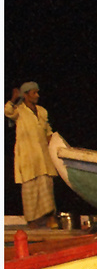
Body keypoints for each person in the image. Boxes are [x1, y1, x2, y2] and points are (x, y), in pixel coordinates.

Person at [5, 82, 56, 226]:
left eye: (37, 92)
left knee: (46, 186)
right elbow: (7, 111)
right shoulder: (19, 110)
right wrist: (13, 99)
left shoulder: (42, 111)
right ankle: (33, 221)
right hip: (27, 156)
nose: (37, 96)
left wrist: (52, 142)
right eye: (34, 93)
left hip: (42, 156)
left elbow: (47, 130)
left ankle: (50, 218)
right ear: (26, 95)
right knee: (30, 189)